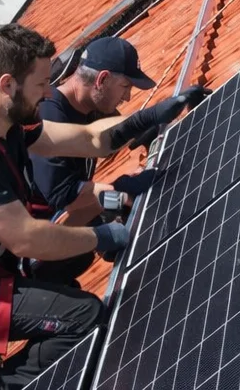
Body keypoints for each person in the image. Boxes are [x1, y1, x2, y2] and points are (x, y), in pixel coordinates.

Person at [0, 23, 204, 389]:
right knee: (84, 315)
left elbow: (91, 138)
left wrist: (155, 114)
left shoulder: (6, 126)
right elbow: (28, 240)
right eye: (41, 84)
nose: (48, 94)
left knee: (66, 285)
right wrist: (104, 235)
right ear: (7, 84)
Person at [28, 36, 164, 285]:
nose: (127, 97)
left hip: (70, 222)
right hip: (36, 249)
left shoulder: (92, 105)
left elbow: (127, 129)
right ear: (102, 80)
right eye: (125, 87)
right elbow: (65, 204)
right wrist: (120, 196)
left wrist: (164, 129)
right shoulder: (48, 118)